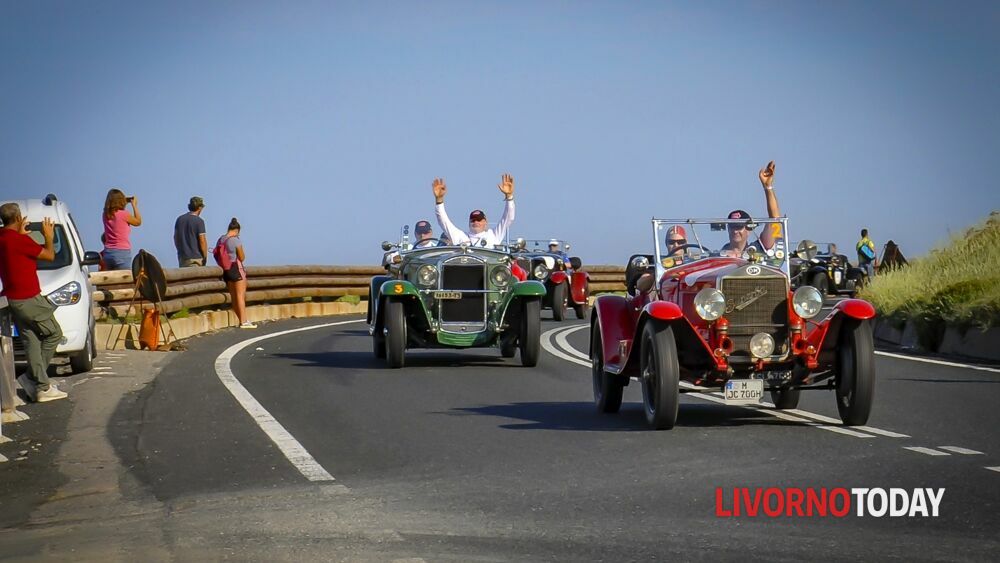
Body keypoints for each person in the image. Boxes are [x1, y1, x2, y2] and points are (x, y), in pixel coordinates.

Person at [0, 203, 67, 402]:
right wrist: (48, 235)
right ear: (19, 217)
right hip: (28, 298)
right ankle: (37, 382)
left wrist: (21, 233)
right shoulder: (19, 241)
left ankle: (37, 383)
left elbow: (15, 251)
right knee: (54, 333)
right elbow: (49, 255)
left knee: (32, 341)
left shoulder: (4, 238)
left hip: (13, 299)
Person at [720, 160, 782, 258]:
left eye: (739, 227)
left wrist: (768, 187)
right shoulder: (718, 256)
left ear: (749, 229)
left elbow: (775, 220)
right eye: (732, 227)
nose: (735, 231)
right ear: (728, 229)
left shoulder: (759, 248)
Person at [433, 174, 515, 247]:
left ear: (485, 222)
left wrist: (509, 197)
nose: (476, 222)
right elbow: (443, 222)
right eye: (473, 220)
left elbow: (508, 218)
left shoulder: (493, 235)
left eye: (479, 220)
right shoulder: (461, 237)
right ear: (469, 223)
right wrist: (439, 200)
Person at [216, 218, 255, 329]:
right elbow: (242, 257)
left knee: (234, 296)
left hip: (225, 270)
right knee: (240, 296)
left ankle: (241, 320)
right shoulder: (235, 240)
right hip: (236, 268)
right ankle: (244, 321)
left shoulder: (221, 239)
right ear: (237, 230)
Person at [101, 188, 141, 270]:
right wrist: (134, 205)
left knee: (111, 281)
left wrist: (124, 201)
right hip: (122, 252)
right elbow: (138, 222)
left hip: (108, 252)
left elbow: (114, 209)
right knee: (124, 281)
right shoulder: (124, 214)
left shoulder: (105, 215)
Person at [174, 196, 207, 267]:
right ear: (200, 208)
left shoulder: (179, 219)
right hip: (196, 258)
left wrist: (180, 251)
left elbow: (175, 238)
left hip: (183, 258)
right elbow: (202, 241)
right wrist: (205, 256)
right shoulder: (199, 221)